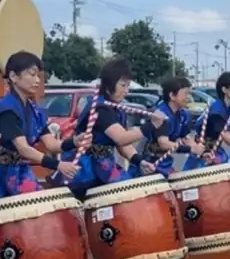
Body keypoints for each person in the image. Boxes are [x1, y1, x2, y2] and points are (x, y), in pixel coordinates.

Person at [0, 51, 84, 219]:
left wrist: (74, 142)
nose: (37, 80)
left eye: (38, 76)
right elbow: (24, 149)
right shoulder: (7, 110)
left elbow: (52, 145)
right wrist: (58, 165)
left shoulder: (34, 111)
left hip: (17, 170)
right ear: (13, 76)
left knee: (37, 212)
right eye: (31, 75)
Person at [58, 57, 165, 195]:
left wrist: (139, 161)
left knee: (131, 190)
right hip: (85, 170)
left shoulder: (116, 108)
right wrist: (151, 125)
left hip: (105, 165)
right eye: (122, 85)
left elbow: (123, 145)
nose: (126, 90)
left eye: (128, 86)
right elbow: (121, 138)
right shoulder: (100, 108)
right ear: (109, 84)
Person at [182, 72, 230, 170]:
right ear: (224, 89)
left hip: (215, 151)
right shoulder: (216, 111)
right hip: (204, 155)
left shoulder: (229, 110)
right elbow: (227, 138)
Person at [142, 77, 204, 177]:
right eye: (185, 93)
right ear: (172, 95)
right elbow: (163, 143)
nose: (188, 97)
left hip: (165, 162)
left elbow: (186, 138)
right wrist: (190, 149)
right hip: (150, 164)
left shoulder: (183, 114)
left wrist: (199, 150)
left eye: (189, 93)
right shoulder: (160, 114)